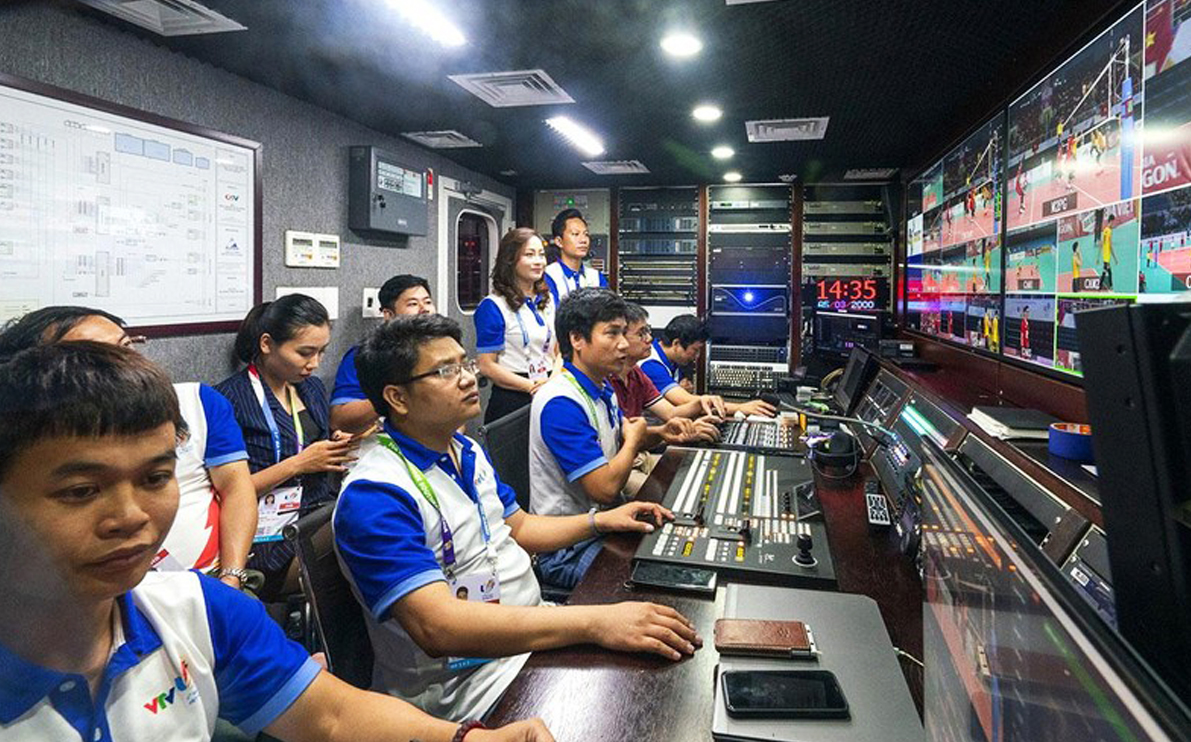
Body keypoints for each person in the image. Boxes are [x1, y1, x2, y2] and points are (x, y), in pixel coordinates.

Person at [0, 342, 551, 742]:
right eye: (80, 490)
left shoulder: (200, 611)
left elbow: (332, 718)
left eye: (155, 478)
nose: (130, 517)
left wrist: (466, 739)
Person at [334, 313, 700, 721]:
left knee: (662, 670)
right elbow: (437, 627)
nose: (468, 379)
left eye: (465, 364)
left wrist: (600, 522)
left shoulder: (464, 449)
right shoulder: (376, 494)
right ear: (397, 398)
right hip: (466, 686)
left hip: (527, 635)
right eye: (445, 371)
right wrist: (593, 622)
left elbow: (518, 526)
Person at [0, 306, 256, 588]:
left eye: (156, 477)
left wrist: (232, 576)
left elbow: (237, 488)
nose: (122, 364)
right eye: (82, 491)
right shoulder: (32, 437)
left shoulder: (196, 401)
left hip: (208, 578)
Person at [528, 289, 698, 588]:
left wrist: (659, 433)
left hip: (603, 526)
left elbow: (621, 438)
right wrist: (634, 441)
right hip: (566, 549)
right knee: (658, 585)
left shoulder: (601, 387)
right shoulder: (561, 403)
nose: (623, 344)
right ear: (577, 339)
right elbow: (605, 489)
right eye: (612, 333)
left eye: (623, 332)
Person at [216, 294, 357, 600]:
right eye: (305, 353)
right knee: (365, 540)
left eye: (321, 352)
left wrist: (334, 447)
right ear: (267, 344)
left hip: (317, 512)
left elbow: (310, 444)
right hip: (269, 537)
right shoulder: (229, 400)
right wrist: (299, 464)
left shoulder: (310, 388)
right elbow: (228, 492)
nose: (315, 364)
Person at [611, 303, 721, 494]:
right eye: (641, 334)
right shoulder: (608, 379)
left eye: (648, 331)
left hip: (639, 455)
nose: (649, 338)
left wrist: (699, 402)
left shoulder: (636, 374)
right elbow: (620, 439)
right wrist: (662, 432)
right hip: (619, 463)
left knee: (696, 476)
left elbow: (671, 413)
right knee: (670, 493)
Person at [331, 274, 436, 434]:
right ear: (389, 315)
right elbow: (339, 420)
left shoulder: (442, 350)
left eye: (427, 302)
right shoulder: (367, 355)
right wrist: (395, 396)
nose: (424, 309)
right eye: (413, 304)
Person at [474, 228, 557, 423]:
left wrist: (552, 382)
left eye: (541, 255)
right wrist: (531, 387)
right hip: (513, 397)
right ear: (510, 260)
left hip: (548, 386)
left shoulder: (548, 300)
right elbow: (486, 365)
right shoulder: (493, 306)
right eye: (529, 255)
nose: (538, 261)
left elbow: (559, 350)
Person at [640, 314, 775, 419]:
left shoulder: (671, 359)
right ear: (676, 344)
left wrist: (678, 390)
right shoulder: (651, 365)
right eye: (695, 350)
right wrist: (741, 408)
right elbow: (686, 402)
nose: (697, 356)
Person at [543, 208, 606, 306]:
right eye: (575, 234)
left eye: (586, 234)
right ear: (559, 242)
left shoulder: (596, 277)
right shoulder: (549, 276)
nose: (583, 240)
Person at [1100, 213, 1117, 290]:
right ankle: (1107, 286)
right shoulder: (1109, 231)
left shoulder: (1105, 230)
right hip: (1107, 256)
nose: (1114, 224)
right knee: (1107, 272)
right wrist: (1115, 258)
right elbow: (1110, 246)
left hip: (1105, 255)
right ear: (1111, 221)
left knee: (1107, 271)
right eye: (1113, 222)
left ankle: (1103, 286)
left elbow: (1102, 243)